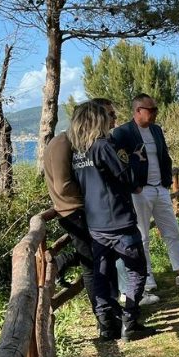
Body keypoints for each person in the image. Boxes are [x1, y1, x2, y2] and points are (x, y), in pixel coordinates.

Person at [69, 101, 156, 342]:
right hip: (118, 219)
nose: (111, 119)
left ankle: (107, 325)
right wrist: (136, 160)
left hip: (95, 224)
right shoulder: (103, 146)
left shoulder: (79, 152)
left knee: (101, 273)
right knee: (137, 270)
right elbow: (127, 177)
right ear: (98, 120)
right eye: (107, 116)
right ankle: (129, 321)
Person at [112, 93, 179, 291]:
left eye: (156, 109)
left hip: (160, 189)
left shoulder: (156, 130)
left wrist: (166, 182)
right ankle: (147, 279)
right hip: (140, 192)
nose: (155, 113)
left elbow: (165, 156)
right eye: (151, 110)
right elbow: (119, 163)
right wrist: (134, 185)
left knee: (172, 231)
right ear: (138, 110)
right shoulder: (122, 133)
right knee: (142, 237)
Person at [43, 100, 113, 319]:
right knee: (91, 265)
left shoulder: (71, 143)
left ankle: (65, 261)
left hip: (80, 210)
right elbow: (63, 185)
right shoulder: (61, 144)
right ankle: (103, 318)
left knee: (102, 255)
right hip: (74, 212)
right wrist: (92, 196)